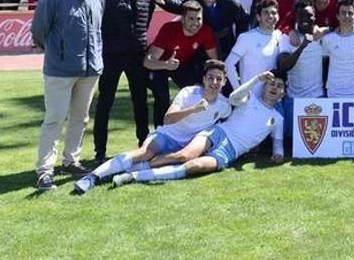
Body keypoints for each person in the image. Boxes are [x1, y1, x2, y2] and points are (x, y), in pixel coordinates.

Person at [73, 59, 232, 194]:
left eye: (219, 79)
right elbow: (168, 119)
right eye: (211, 78)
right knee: (144, 152)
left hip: (184, 146)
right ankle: (92, 177)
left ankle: (123, 171)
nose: (214, 82)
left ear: (224, 82)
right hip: (165, 136)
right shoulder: (189, 93)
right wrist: (193, 109)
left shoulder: (224, 105)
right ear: (204, 79)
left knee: (180, 159)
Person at [111, 70, 286, 188]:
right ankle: (136, 167)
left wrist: (278, 154)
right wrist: (257, 79)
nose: (274, 88)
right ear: (264, 86)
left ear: (282, 94)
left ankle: (134, 176)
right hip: (217, 133)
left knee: (193, 166)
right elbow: (233, 97)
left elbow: (278, 144)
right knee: (183, 156)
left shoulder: (278, 119)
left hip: (231, 151)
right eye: (272, 84)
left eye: (279, 86)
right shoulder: (249, 97)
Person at [31, 0, 105, 190]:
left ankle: (71, 160)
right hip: (60, 70)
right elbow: (39, 33)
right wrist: (59, 52)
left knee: (80, 119)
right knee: (55, 119)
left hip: (90, 69)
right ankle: (45, 170)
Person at [94, 0, 155, 163]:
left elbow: (149, 16)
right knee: (105, 103)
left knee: (140, 102)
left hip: (137, 55)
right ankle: (99, 151)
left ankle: (144, 145)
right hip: (111, 55)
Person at [145, 0, 218, 129]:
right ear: (182, 19)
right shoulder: (169, 29)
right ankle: (160, 133)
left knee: (197, 93)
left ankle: (195, 130)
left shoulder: (206, 31)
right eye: (191, 19)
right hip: (159, 66)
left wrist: (217, 76)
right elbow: (148, 61)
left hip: (181, 65)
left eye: (198, 19)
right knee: (162, 99)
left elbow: (215, 60)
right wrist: (165, 64)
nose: (195, 23)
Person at [151, 0, 248, 61]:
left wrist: (240, 43)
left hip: (226, 41)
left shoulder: (231, 3)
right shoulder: (193, 1)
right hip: (203, 42)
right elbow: (180, 6)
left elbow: (243, 21)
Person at [276, 0, 326, 133]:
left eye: (309, 15)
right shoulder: (287, 38)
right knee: (291, 141)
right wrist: (302, 47)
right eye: (301, 16)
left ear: (314, 16)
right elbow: (283, 66)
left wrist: (327, 29)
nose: (305, 19)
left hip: (318, 97)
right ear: (296, 18)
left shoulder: (322, 36)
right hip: (294, 98)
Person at [321, 0, 354, 97]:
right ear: (337, 16)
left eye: (350, 13)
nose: (346, 16)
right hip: (334, 94)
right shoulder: (328, 39)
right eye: (343, 13)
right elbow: (322, 61)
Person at [225, 0, 283, 90]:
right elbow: (228, 64)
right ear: (258, 17)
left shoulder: (280, 36)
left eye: (273, 13)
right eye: (266, 13)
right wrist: (239, 90)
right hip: (249, 99)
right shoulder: (246, 37)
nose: (270, 16)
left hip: (271, 100)